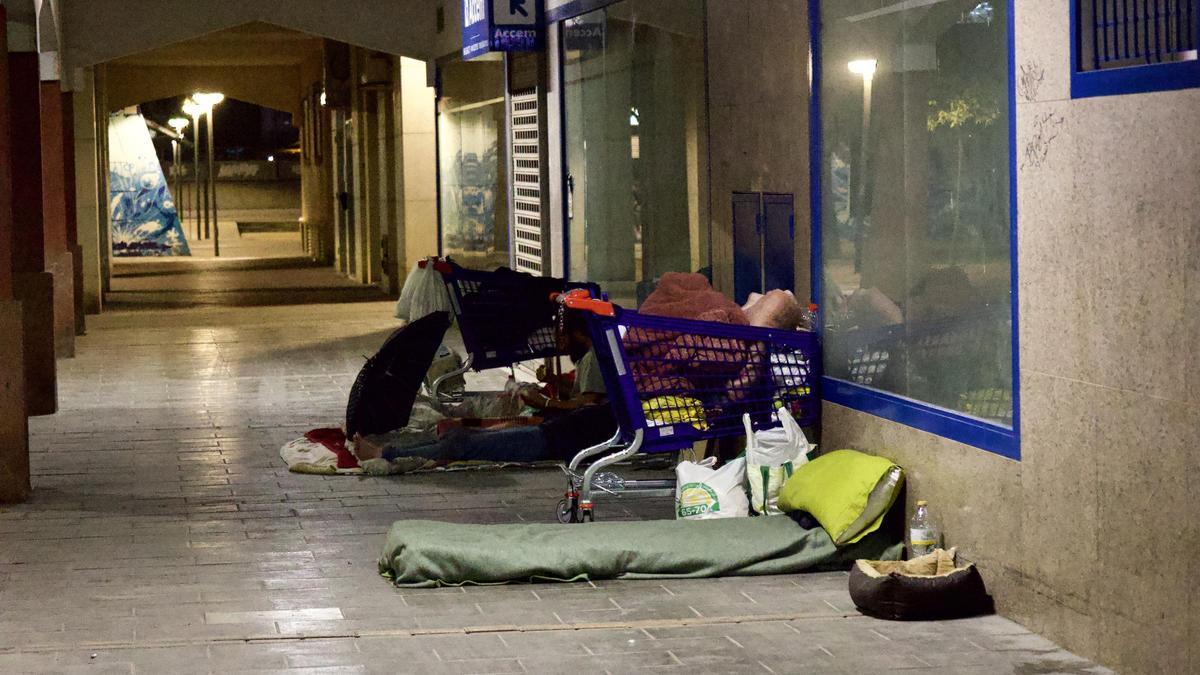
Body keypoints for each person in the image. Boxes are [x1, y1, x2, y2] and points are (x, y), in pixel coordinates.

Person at [378, 309, 617, 469]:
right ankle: (388, 451)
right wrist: (551, 389)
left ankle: (387, 455)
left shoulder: (597, 377)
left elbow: (586, 402)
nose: (559, 341)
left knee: (462, 444)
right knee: (457, 435)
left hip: (551, 439)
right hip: (550, 430)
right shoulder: (594, 367)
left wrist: (543, 403)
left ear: (577, 332)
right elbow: (584, 400)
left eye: (562, 334)